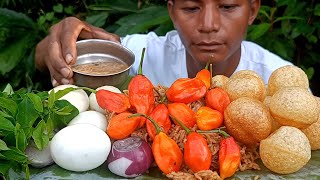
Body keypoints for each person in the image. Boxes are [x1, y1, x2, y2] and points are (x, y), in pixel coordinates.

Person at [35, 0, 292, 88]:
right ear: (172, 12)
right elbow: (43, 56)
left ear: (252, 10)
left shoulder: (280, 79)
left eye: (227, 7)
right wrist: (58, 43)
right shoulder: (149, 54)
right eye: (191, 8)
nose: (209, 24)